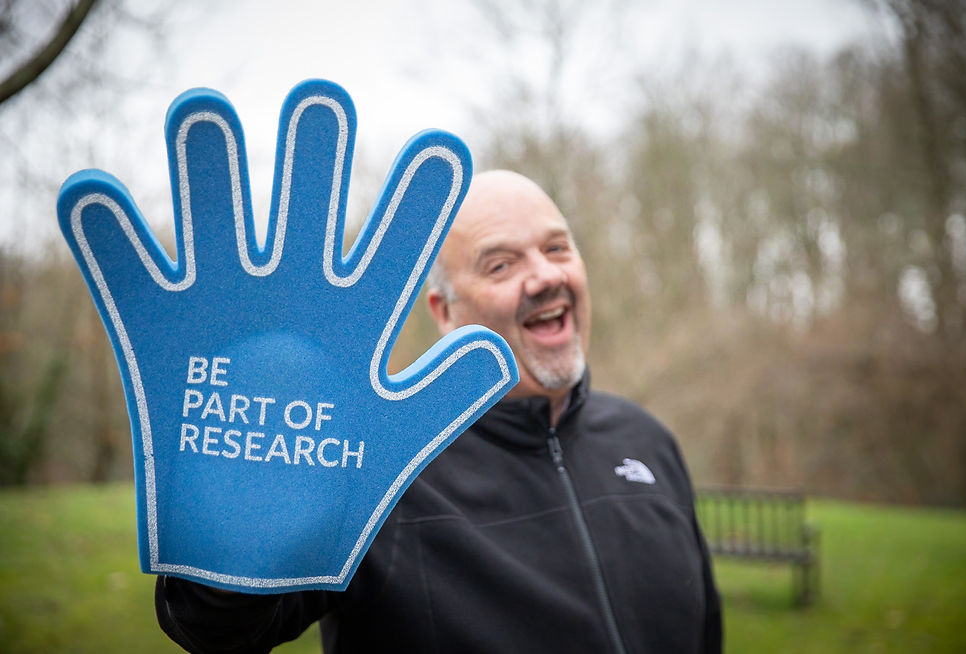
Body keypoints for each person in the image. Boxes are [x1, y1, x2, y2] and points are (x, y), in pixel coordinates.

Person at [156, 170, 722, 653]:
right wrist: (239, 484)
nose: (547, 275)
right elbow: (222, 626)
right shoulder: (379, 466)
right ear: (444, 312)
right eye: (500, 265)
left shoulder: (646, 441)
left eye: (557, 248)